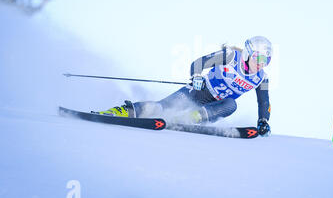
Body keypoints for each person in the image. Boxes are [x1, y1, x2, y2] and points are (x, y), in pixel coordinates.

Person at [94, 36, 272, 136]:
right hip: (199, 92)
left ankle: (190, 118)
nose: (261, 63)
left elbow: (264, 103)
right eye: (258, 57)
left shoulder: (261, 78)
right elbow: (199, 62)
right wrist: (196, 76)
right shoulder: (231, 56)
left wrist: (263, 121)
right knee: (159, 107)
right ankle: (121, 112)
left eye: (266, 60)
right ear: (248, 53)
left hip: (215, 107)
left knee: (232, 105)